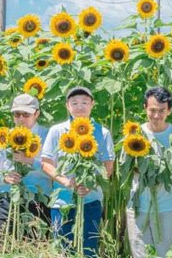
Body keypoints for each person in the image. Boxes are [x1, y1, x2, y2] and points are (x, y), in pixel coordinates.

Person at [41, 86, 116, 257]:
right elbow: (46, 163)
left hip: (91, 200)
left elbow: (108, 166)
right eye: (75, 103)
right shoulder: (57, 131)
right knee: (63, 249)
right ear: (68, 106)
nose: (80, 107)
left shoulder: (102, 133)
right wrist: (66, 181)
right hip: (62, 201)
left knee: (88, 249)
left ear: (92, 104)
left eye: (84, 102)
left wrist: (91, 184)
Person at [125, 86, 172, 257]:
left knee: (167, 254)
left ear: (170, 110)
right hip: (138, 205)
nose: (156, 115)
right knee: (140, 254)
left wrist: (171, 169)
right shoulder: (135, 134)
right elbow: (124, 166)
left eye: (162, 110)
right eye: (152, 110)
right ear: (145, 108)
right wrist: (140, 169)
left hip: (168, 207)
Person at [0, 94, 52, 240]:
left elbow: (55, 172)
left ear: (37, 113)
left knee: (35, 245)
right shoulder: (4, 137)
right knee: (3, 243)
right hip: (7, 200)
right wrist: (5, 177)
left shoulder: (47, 136)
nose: (21, 118)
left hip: (38, 200)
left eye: (26, 114)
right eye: (17, 114)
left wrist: (31, 161)